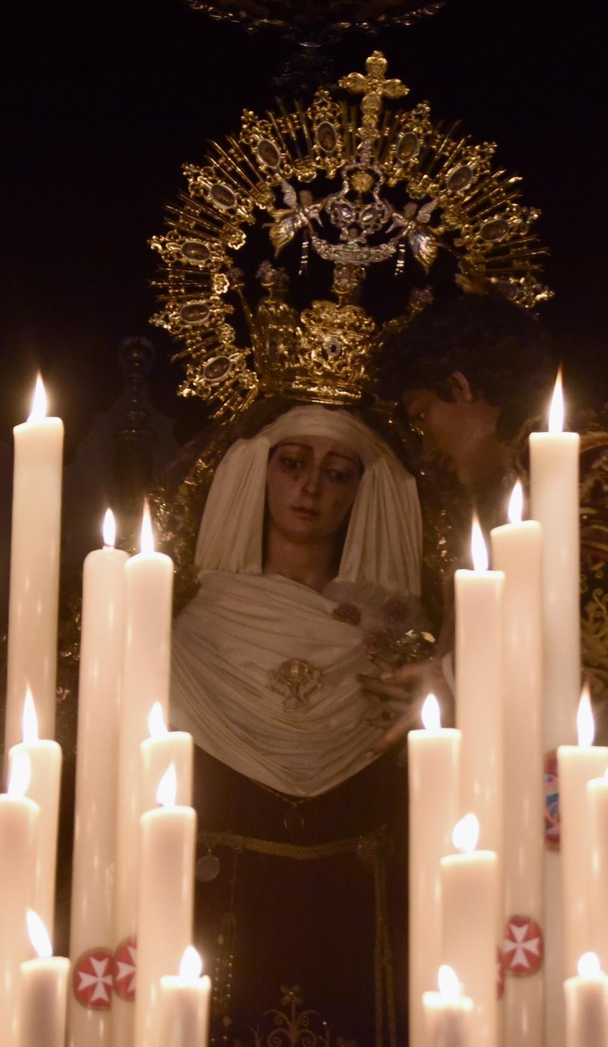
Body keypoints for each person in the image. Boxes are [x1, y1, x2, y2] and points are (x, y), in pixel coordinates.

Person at [165, 398, 433, 1046]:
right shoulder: (191, 633)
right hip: (222, 905)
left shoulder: (397, 648)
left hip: (354, 910)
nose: (311, 487)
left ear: (360, 495)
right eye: (293, 464)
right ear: (258, 473)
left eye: (339, 473)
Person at [375, 292, 608, 747]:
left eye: (422, 416)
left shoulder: (585, 462)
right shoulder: (523, 482)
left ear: (460, 388)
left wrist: (458, 682)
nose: (425, 443)